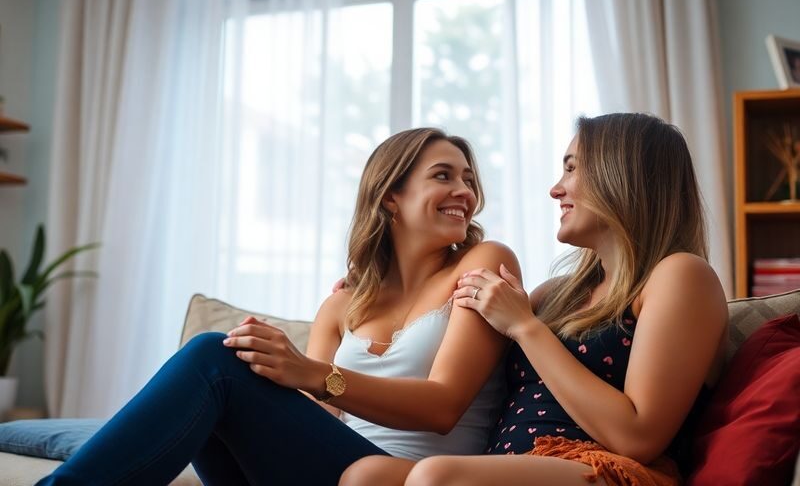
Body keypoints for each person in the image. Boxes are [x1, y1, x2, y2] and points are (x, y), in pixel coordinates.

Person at [37, 128, 520, 485]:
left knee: (214, 359)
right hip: (327, 467)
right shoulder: (343, 304)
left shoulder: (483, 263)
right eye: (444, 175)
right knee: (230, 360)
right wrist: (270, 370)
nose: (465, 191)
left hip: (406, 476)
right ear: (391, 197)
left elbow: (443, 407)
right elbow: (313, 423)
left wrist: (312, 373)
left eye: (468, 179)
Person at [339, 113, 729, 486]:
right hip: (507, 466)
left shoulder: (681, 275)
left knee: (436, 477)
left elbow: (638, 437)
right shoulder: (554, 296)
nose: (556, 188)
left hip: (609, 469)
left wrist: (525, 327)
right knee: (368, 475)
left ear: (622, 175)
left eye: (572, 169)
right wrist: (378, 288)